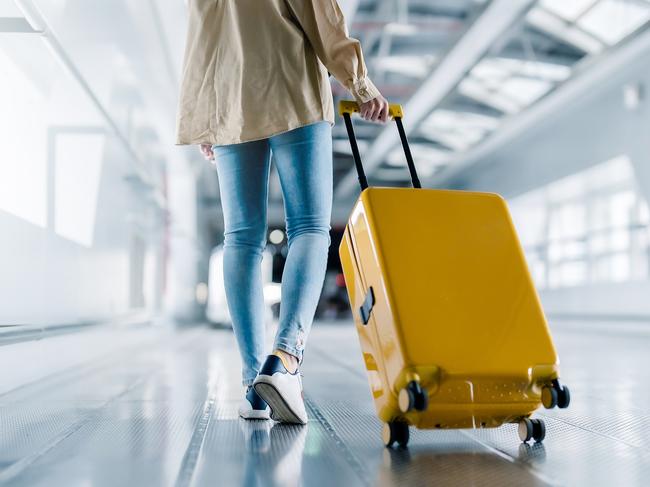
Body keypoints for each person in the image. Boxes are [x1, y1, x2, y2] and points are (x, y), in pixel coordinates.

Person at [176, 0, 388, 424]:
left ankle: (254, 385)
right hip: (293, 89)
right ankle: (286, 358)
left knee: (240, 238)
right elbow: (323, 19)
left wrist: (206, 116)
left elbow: (203, 33)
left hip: (229, 98)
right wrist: (362, 85)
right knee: (310, 227)